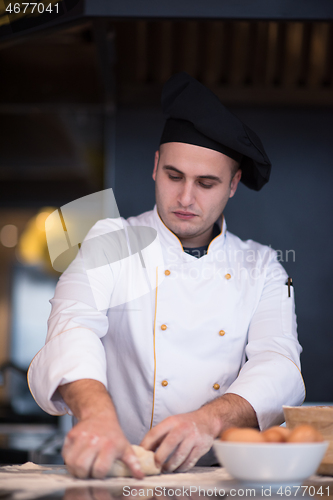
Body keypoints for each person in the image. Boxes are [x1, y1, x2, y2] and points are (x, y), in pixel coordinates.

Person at [28, 73, 305, 479]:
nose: (186, 198)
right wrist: (96, 413)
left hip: (220, 481)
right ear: (156, 166)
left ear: (233, 184)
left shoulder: (262, 266)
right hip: (117, 473)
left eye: (206, 183)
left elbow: (280, 364)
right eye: (174, 176)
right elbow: (72, 325)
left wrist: (209, 421)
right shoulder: (112, 240)